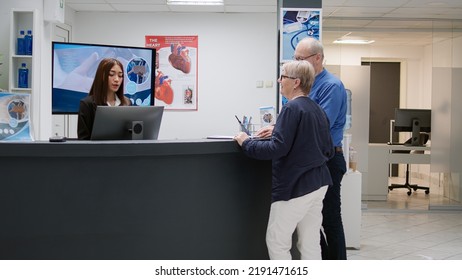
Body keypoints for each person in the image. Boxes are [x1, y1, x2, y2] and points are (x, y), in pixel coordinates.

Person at [258, 37, 348, 260]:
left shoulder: (331, 86)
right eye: (295, 58)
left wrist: (280, 129)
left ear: (317, 58)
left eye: (300, 58)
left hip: (326, 161)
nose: (297, 61)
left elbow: (316, 126)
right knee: (310, 234)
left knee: (330, 221)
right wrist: (279, 126)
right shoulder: (307, 89)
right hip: (312, 163)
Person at [234, 60, 334, 260]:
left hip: (297, 186)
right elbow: (327, 148)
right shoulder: (315, 109)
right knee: (310, 241)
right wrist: (278, 130)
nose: (279, 80)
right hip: (318, 183)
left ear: (296, 82)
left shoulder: (291, 108)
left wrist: (246, 143)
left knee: (277, 240)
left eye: (283, 77)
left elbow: (276, 148)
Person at [77, 58, 131, 140]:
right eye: (111, 74)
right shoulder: (87, 104)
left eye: (120, 76)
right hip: (97, 152)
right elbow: (83, 140)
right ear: (101, 76)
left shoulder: (127, 103)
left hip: (122, 151)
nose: (117, 79)